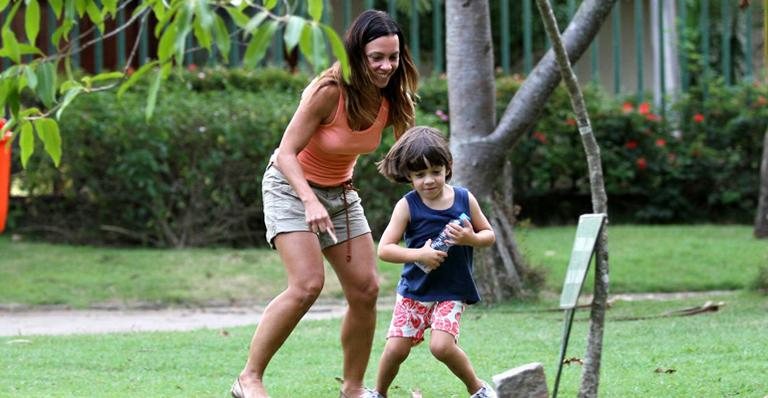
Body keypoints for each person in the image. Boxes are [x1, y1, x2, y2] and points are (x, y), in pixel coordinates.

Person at [231, 9, 419, 398]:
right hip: (290, 186)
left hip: (341, 192)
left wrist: (436, 205)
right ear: (356, 55)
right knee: (306, 285)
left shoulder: (394, 98)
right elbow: (285, 153)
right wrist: (309, 202)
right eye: (377, 58)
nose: (386, 66)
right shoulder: (330, 90)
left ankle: (352, 389)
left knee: (366, 289)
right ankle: (248, 378)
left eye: (393, 57)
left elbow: (411, 156)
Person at [371, 126, 498, 398]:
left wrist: (470, 239)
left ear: (447, 168)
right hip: (415, 290)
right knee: (396, 349)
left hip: (452, 289)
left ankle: (479, 390)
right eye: (419, 175)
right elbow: (385, 249)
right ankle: (378, 393)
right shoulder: (407, 205)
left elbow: (488, 235)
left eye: (435, 172)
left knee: (441, 346)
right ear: (409, 176)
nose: (429, 180)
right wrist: (419, 254)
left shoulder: (464, 198)